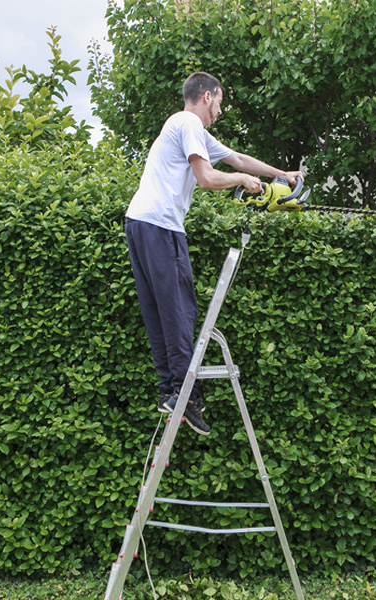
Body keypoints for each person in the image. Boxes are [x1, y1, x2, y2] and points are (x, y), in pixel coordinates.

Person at [124, 71, 303, 436]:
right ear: (206, 96)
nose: (220, 110)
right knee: (179, 308)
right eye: (220, 102)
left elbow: (236, 158)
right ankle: (185, 396)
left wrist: (279, 173)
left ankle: (171, 391)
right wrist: (241, 182)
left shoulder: (188, 129)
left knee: (159, 309)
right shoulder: (188, 121)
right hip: (161, 226)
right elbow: (207, 177)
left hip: (139, 223)